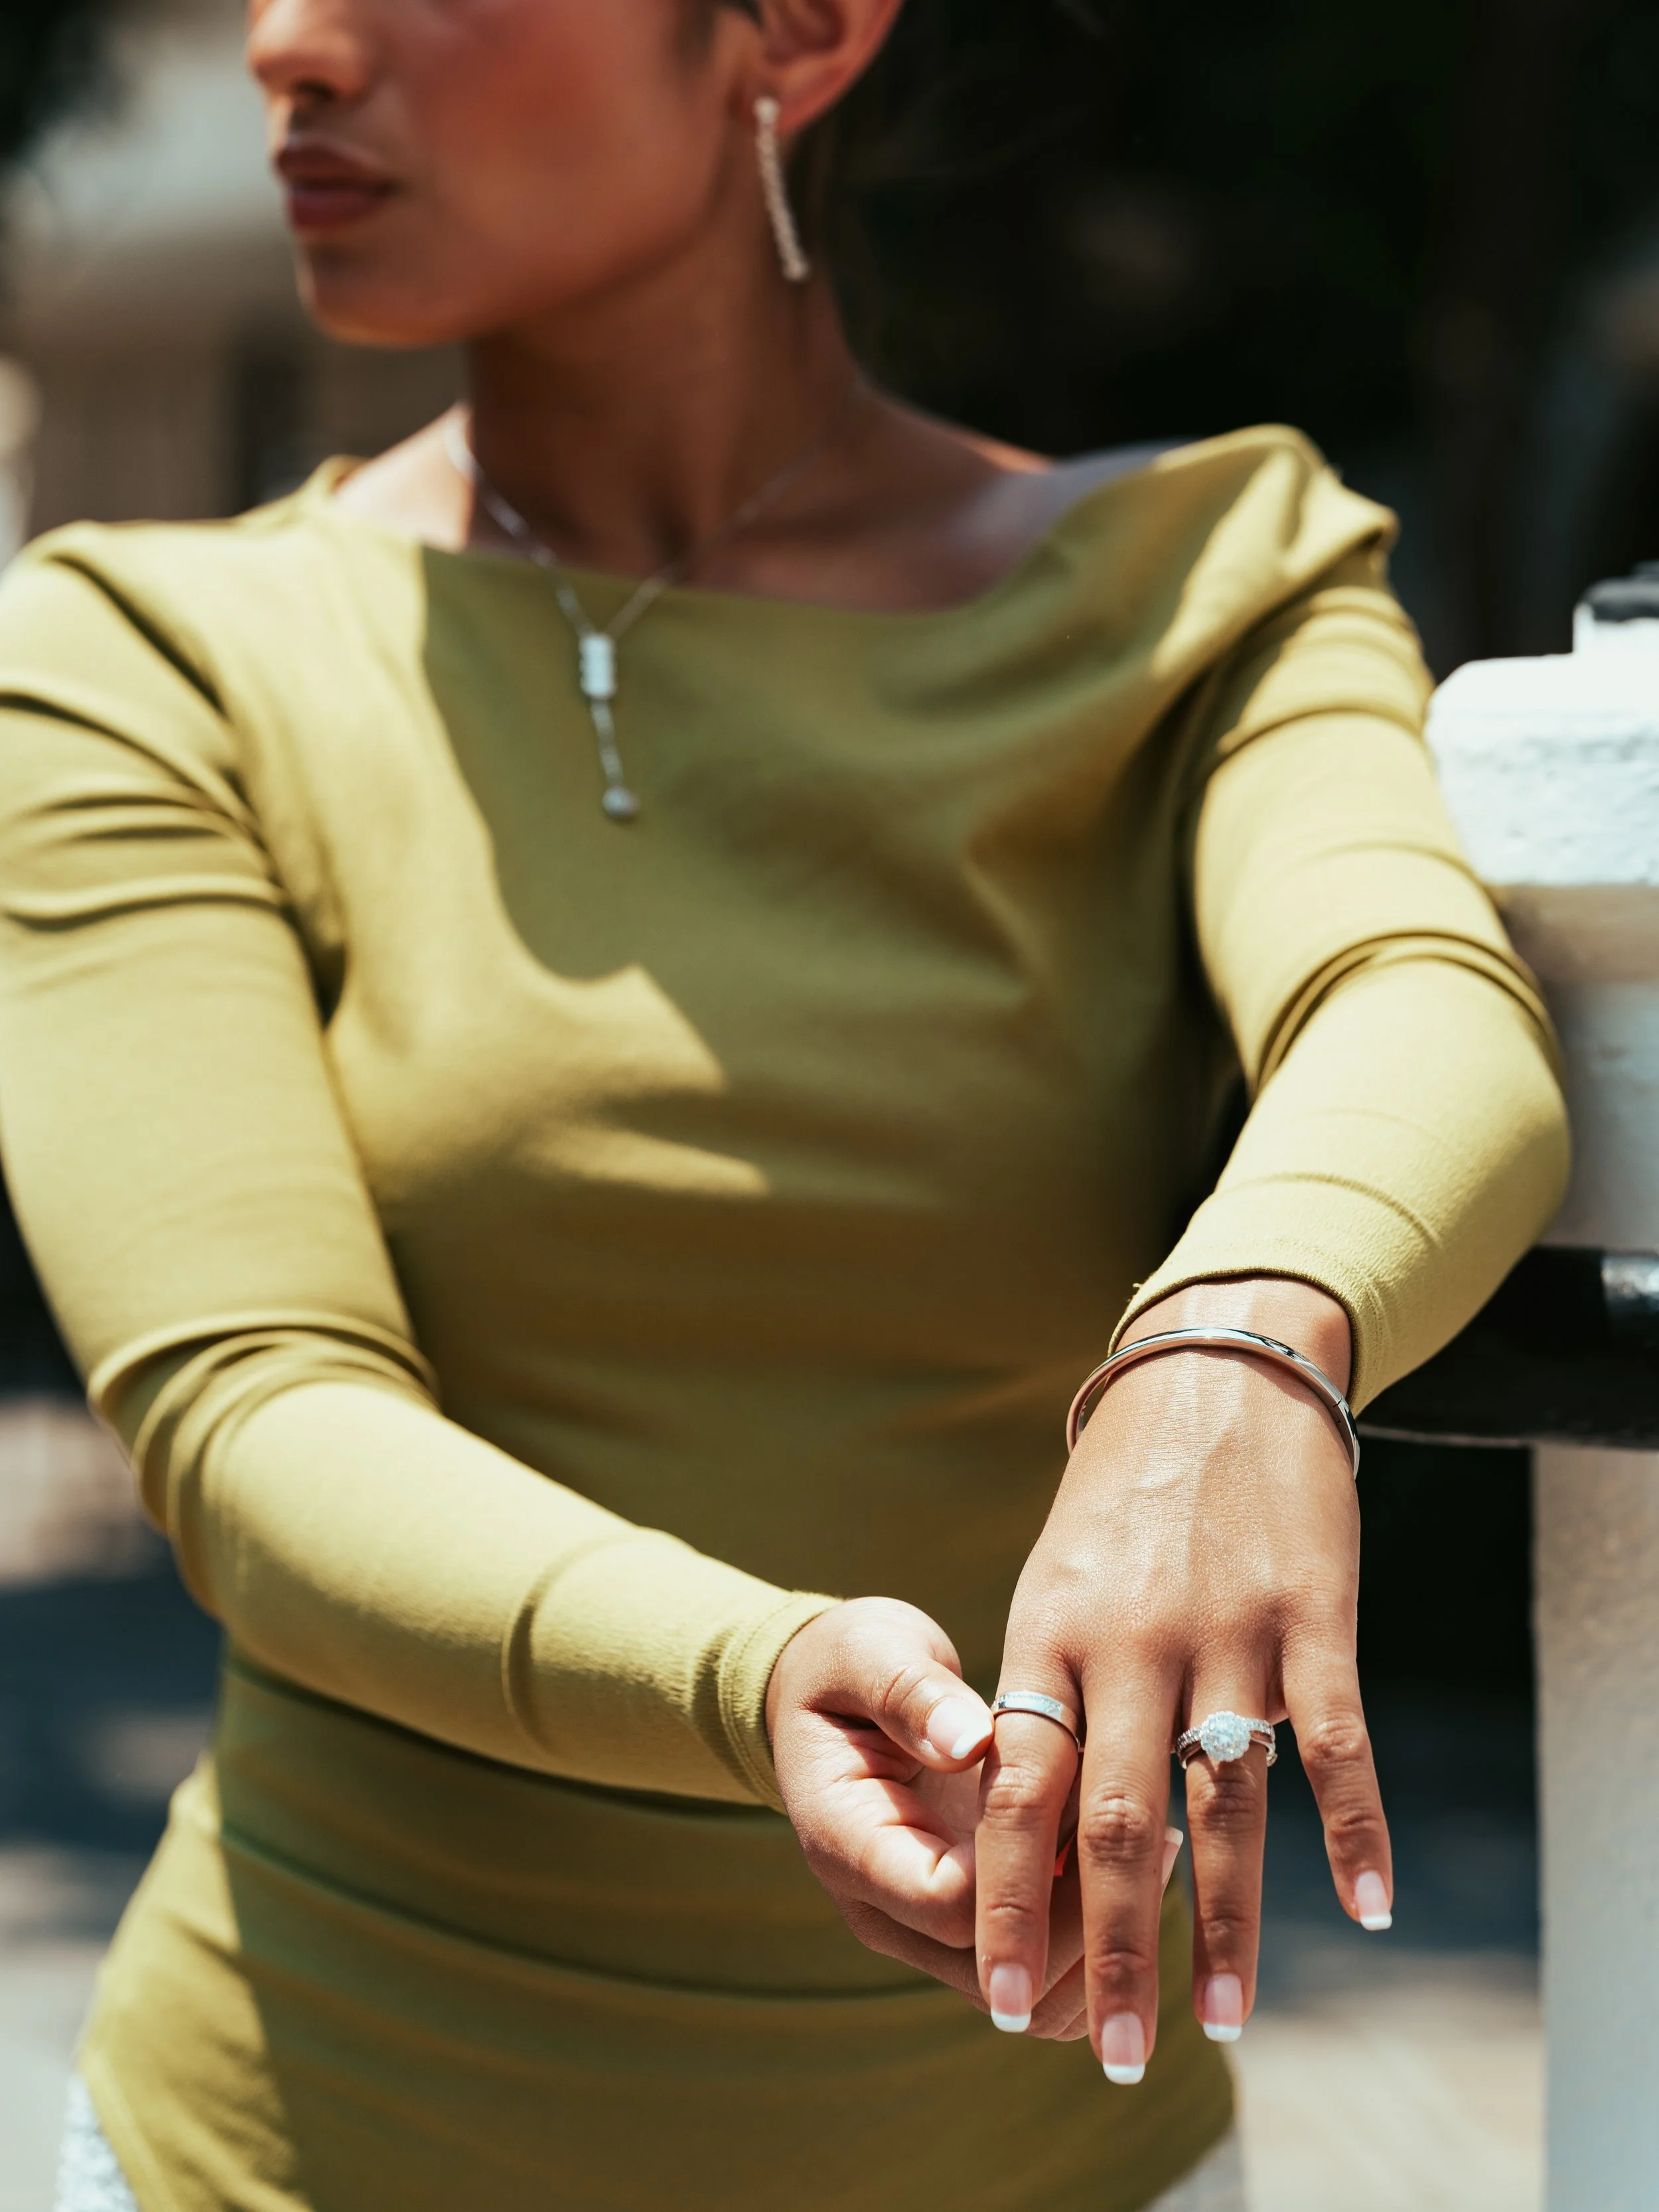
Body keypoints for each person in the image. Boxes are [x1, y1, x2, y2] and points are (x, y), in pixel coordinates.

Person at [0, 3, 1569, 2209]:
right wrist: (747, 1679)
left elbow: (1411, 996)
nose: (286, 43)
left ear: (798, 32)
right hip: (297, 2151)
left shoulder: (1205, 578)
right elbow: (253, 1414)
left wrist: (1228, 1342)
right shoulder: (144, 652)